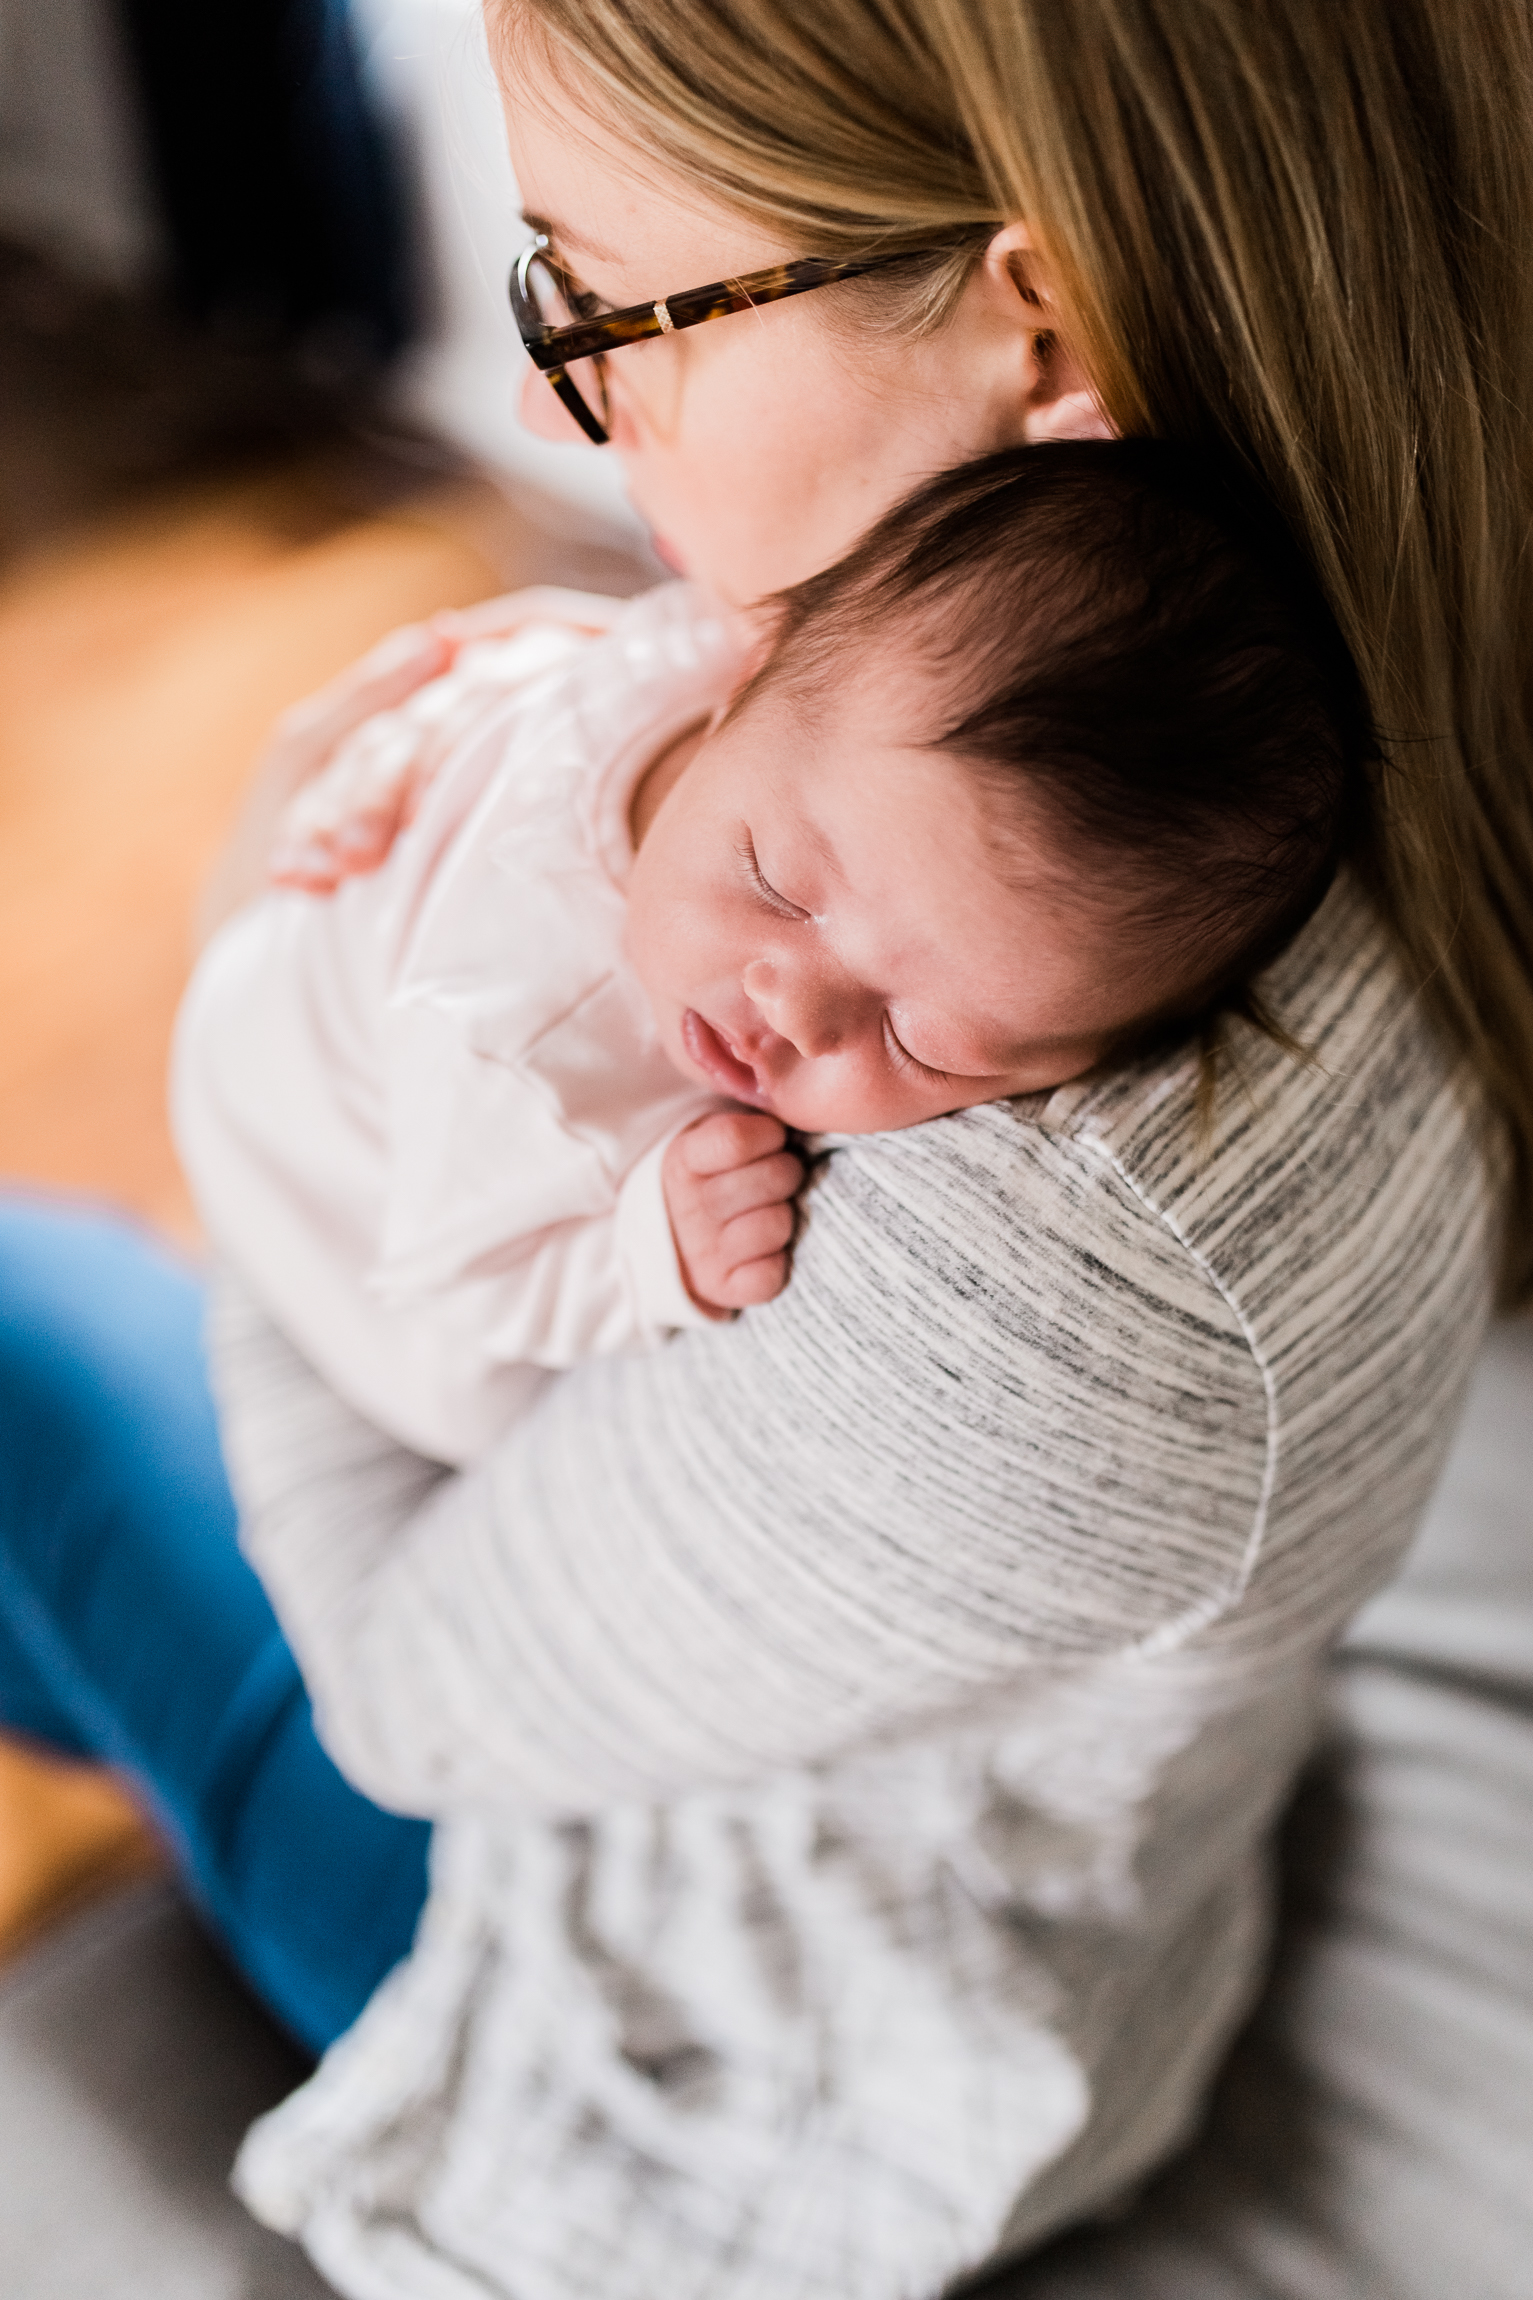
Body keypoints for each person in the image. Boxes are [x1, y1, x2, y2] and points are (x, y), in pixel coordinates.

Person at [1, 3, 1529, 2295]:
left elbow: (415, 1700)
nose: (546, 403)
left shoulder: (1064, 1274)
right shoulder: (1151, 659)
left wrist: (258, 1020)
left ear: (1043, 319)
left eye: (608, 307)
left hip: (663, 1996)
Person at [173, 441, 1366, 1466]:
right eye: (778, 887)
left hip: (289, 975)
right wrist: (643, 1256)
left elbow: (609, 662)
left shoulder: (765, 702)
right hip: (295, 1166)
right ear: (751, 665)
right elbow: (451, 1316)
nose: (792, 1008)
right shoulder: (523, 1054)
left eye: (920, 1041)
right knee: (464, 1392)